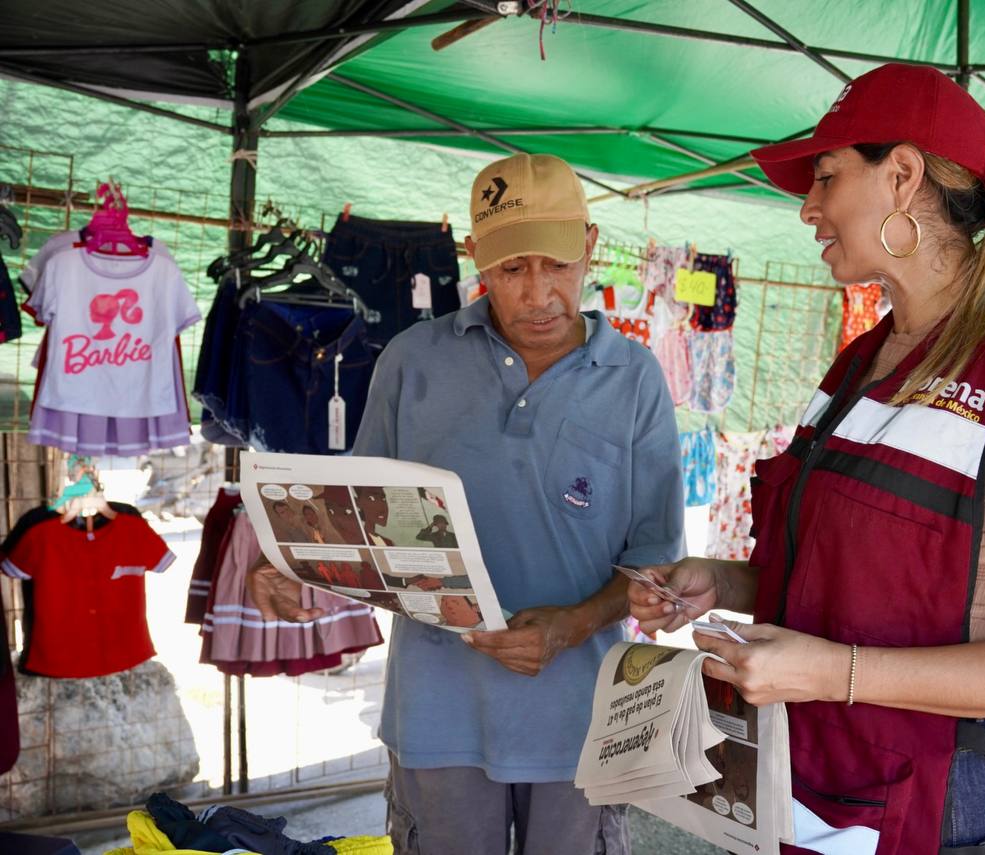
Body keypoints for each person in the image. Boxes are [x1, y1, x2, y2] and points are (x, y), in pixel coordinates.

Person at [631, 64, 985, 855]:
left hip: (945, 805)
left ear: (902, 176)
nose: (807, 208)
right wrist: (723, 582)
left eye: (825, 177)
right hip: (819, 781)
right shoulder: (859, 364)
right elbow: (857, 584)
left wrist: (833, 673)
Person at [249, 152, 683, 854]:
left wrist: (572, 626)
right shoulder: (412, 360)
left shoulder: (634, 377)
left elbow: (653, 558)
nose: (539, 293)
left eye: (558, 265)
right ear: (475, 256)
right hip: (437, 715)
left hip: (581, 717)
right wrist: (297, 569)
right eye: (512, 270)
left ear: (591, 246)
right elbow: (359, 520)